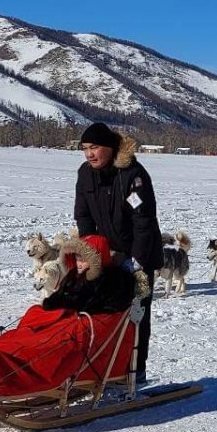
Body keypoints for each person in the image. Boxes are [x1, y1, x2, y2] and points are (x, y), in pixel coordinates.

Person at [72, 122, 162, 382]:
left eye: (95, 148)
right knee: (101, 312)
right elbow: (83, 216)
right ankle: (105, 370)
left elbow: (143, 222)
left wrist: (136, 262)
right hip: (106, 253)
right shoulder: (85, 173)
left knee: (136, 314)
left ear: (110, 148)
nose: (89, 154)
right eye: (85, 148)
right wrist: (88, 252)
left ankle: (135, 371)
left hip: (139, 253)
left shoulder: (133, 175)